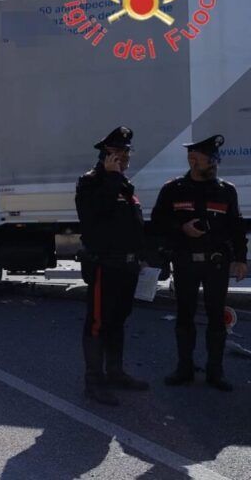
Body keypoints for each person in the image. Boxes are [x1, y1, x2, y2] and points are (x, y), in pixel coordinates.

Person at [151, 134, 247, 392]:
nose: (213, 164)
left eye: (214, 160)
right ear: (192, 160)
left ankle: (215, 372)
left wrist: (241, 258)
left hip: (216, 264)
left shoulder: (226, 191)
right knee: (185, 315)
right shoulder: (174, 189)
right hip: (185, 262)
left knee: (216, 317)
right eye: (207, 160)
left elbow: (236, 228)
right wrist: (181, 227)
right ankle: (184, 369)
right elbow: (157, 223)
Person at [75, 126, 149, 406]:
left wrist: (143, 255)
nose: (126, 157)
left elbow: (133, 225)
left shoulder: (123, 184)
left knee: (118, 320)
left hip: (126, 266)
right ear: (106, 155)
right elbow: (95, 216)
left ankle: (115, 373)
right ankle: (93, 382)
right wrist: (111, 177)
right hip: (104, 266)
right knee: (97, 323)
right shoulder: (91, 182)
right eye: (119, 152)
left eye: (127, 152)